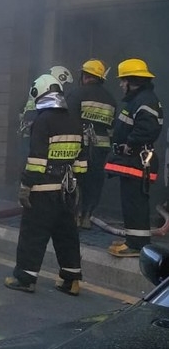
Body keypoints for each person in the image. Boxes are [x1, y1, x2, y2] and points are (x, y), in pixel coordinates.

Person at [5, 73, 86, 296]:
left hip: (43, 190)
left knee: (33, 235)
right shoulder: (75, 120)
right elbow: (80, 161)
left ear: (37, 93)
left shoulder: (43, 121)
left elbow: (37, 161)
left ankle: (25, 279)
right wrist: (75, 185)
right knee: (67, 235)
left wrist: (25, 186)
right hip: (67, 191)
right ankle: (71, 281)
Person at [105, 58, 163, 258]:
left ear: (132, 81)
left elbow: (148, 129)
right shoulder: (138, 99)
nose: (121, 84)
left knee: (135, 203)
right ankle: (132, 240)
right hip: (132, 161)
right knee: (130, 202)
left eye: (123, 81)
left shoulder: (145, 100)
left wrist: (130, 144)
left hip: (137, 160)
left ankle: (137, 245)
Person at [64, 59, 117, 229]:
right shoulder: (110, 99)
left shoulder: (76, 94)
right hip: (101, 149)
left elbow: (67, 120)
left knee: (75, 179)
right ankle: (87, 216)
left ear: (85, 76)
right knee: (95, 182)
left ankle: (74, 215)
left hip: (80, 147)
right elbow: (112, 128)